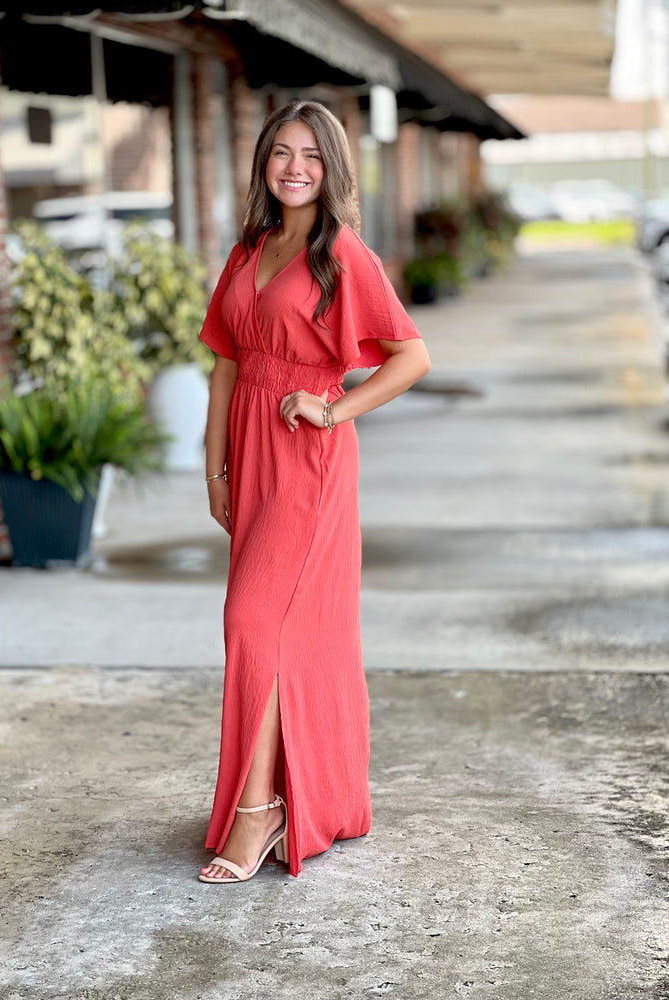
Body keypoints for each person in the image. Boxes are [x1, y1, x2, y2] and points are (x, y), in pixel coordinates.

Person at [197, 100, 431, 883]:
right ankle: (302, 796)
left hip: (308, 459)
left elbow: (412, 356)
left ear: (331, 169)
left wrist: (334, 409)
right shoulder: (249, 249)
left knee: (251, 622)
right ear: (263, 163)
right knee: (280, 633)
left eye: (311, 156)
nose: (295, 168)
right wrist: (215, 466)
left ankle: (259, 811)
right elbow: (226, 362)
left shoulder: (342, 253)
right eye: (281, 153)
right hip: (251, 455)